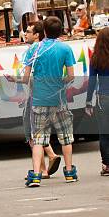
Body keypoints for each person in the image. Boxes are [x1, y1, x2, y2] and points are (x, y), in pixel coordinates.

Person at [22, 16, 77, 187]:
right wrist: (61, 81)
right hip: (59, 99)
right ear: (60, 30)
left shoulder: (34, 49)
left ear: (44, 31)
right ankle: (69, 172)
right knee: (66, 137)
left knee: (38, 139)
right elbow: (71, 76)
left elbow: (25, 78)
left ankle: (36, 175)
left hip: (39, 99)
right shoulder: (66, 49)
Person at [18, 22, 62, 178]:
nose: (26, 34)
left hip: (35, 96)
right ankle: (49, 158)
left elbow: (26, 78)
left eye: (29, 31)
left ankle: (44, 166)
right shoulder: (53, 48)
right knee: (38, 131)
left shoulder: (33, 50)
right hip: (48, 95)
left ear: (37, 34)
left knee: (31, 133)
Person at [85, 27, 109, 176]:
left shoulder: (96, 58)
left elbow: (92, 82)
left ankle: (107, 165)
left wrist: (88, 102)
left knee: (104, 133)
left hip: (103, 99)